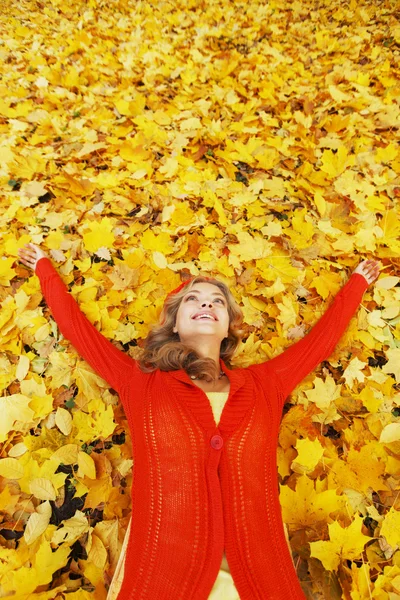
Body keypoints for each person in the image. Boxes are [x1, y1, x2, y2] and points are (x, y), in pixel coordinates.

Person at [17, 243, 380, 599]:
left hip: (261, 578)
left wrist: (356, 285)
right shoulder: (141, 382)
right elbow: (81, 332)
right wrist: (44, 270)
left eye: (217, 301)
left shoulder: (265, 384)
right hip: (164, 575)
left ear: (228, 330)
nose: (206, 303)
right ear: (174, 324)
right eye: (193, 298)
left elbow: (319, 343)